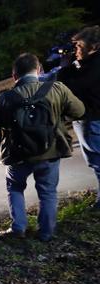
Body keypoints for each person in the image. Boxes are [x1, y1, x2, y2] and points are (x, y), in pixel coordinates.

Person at [0, 53, 85, 242]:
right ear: (39, 70)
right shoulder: (57, 89)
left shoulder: (6, 98)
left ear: (14, 75)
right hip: (51, 150)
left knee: (15, 187)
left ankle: (18, 228)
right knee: (47, 192)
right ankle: (45, 233)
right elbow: (79, 111)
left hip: (18, 154)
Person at [57, 25, 100, 209]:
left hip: (93, 119)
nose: (76, 51)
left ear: (95, 46)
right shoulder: (91, 64)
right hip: (90, 119)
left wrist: (65, 68)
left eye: (79, 46)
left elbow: (70, 88)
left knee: (98, 162)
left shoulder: (95, 66)